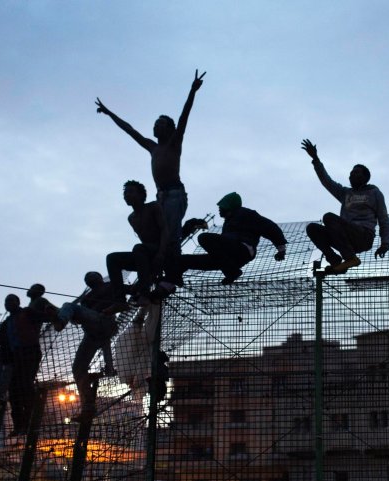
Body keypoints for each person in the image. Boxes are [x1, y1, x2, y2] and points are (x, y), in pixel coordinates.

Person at [96, 70, 205, 284]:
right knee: (161, 235)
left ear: (170, 129)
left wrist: (192, 91)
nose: (155, 126)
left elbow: (184, 116)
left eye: (160, 124)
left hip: (174, 194)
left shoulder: (174, 143)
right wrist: (109, 113)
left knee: (172, 235)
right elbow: (130, 130)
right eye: (155, 124)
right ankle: (163, 270)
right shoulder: (152, 147)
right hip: (161, 196)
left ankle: (174, 276)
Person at [301, 139, 389, 273]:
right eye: (351, 173)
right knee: (313, 228)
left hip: (363, 236)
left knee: (329, 217)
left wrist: (385, 243)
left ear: (365, 177)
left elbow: (384, 219)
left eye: (356, 173)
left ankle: (350, 258)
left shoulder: (374, 193)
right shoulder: (345, 193)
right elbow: (327, 182)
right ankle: (335, 261)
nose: (352, 175)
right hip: (344, 238)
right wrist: (315, 159)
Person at [175, 192, 287, 285]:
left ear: (229, 206)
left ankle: (231, 271)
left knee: (204, 238)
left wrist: (281, 249)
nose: (219, 209)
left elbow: (270, 227)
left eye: (221, 207)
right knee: (183, 260)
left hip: (241, 249)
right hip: (227, 259)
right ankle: (171, 282)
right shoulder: (229, 221)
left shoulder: (245, 214)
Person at [55, 271, 124, 422]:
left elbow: (126, 292)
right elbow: (81, 320)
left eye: (92, 276)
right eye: (87, 278)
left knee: (68, 306)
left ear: (99, 278)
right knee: (78, 368)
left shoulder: (110, 286)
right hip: (93, 332)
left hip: (103, 320)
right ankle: (88, 407)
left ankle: (60, 319)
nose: (89, 278)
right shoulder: (86, 299)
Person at [0, 294, 45, 436]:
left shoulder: (27, 313)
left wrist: (52, 313)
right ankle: (20, 426)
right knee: (15, 392)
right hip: (17, 358)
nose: (8, 304)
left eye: (11, 301)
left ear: (18, 302)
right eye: (6, 301)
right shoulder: (7, 323)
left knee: (25, 387)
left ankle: (28, 423)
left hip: (29, 353)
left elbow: (42, 317)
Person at [106, 180, 172, 305]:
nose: (127, 195)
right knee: (112, 258)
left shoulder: (153, 207)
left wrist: (161, 254)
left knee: (139, 248)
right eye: (125, 193)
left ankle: (144, 293)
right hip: (145, 254)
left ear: (142, 195)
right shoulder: (131, 218)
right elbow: (144, 243)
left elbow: (164, 230)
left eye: (130, 192)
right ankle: (119, 300)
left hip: (160, 250)